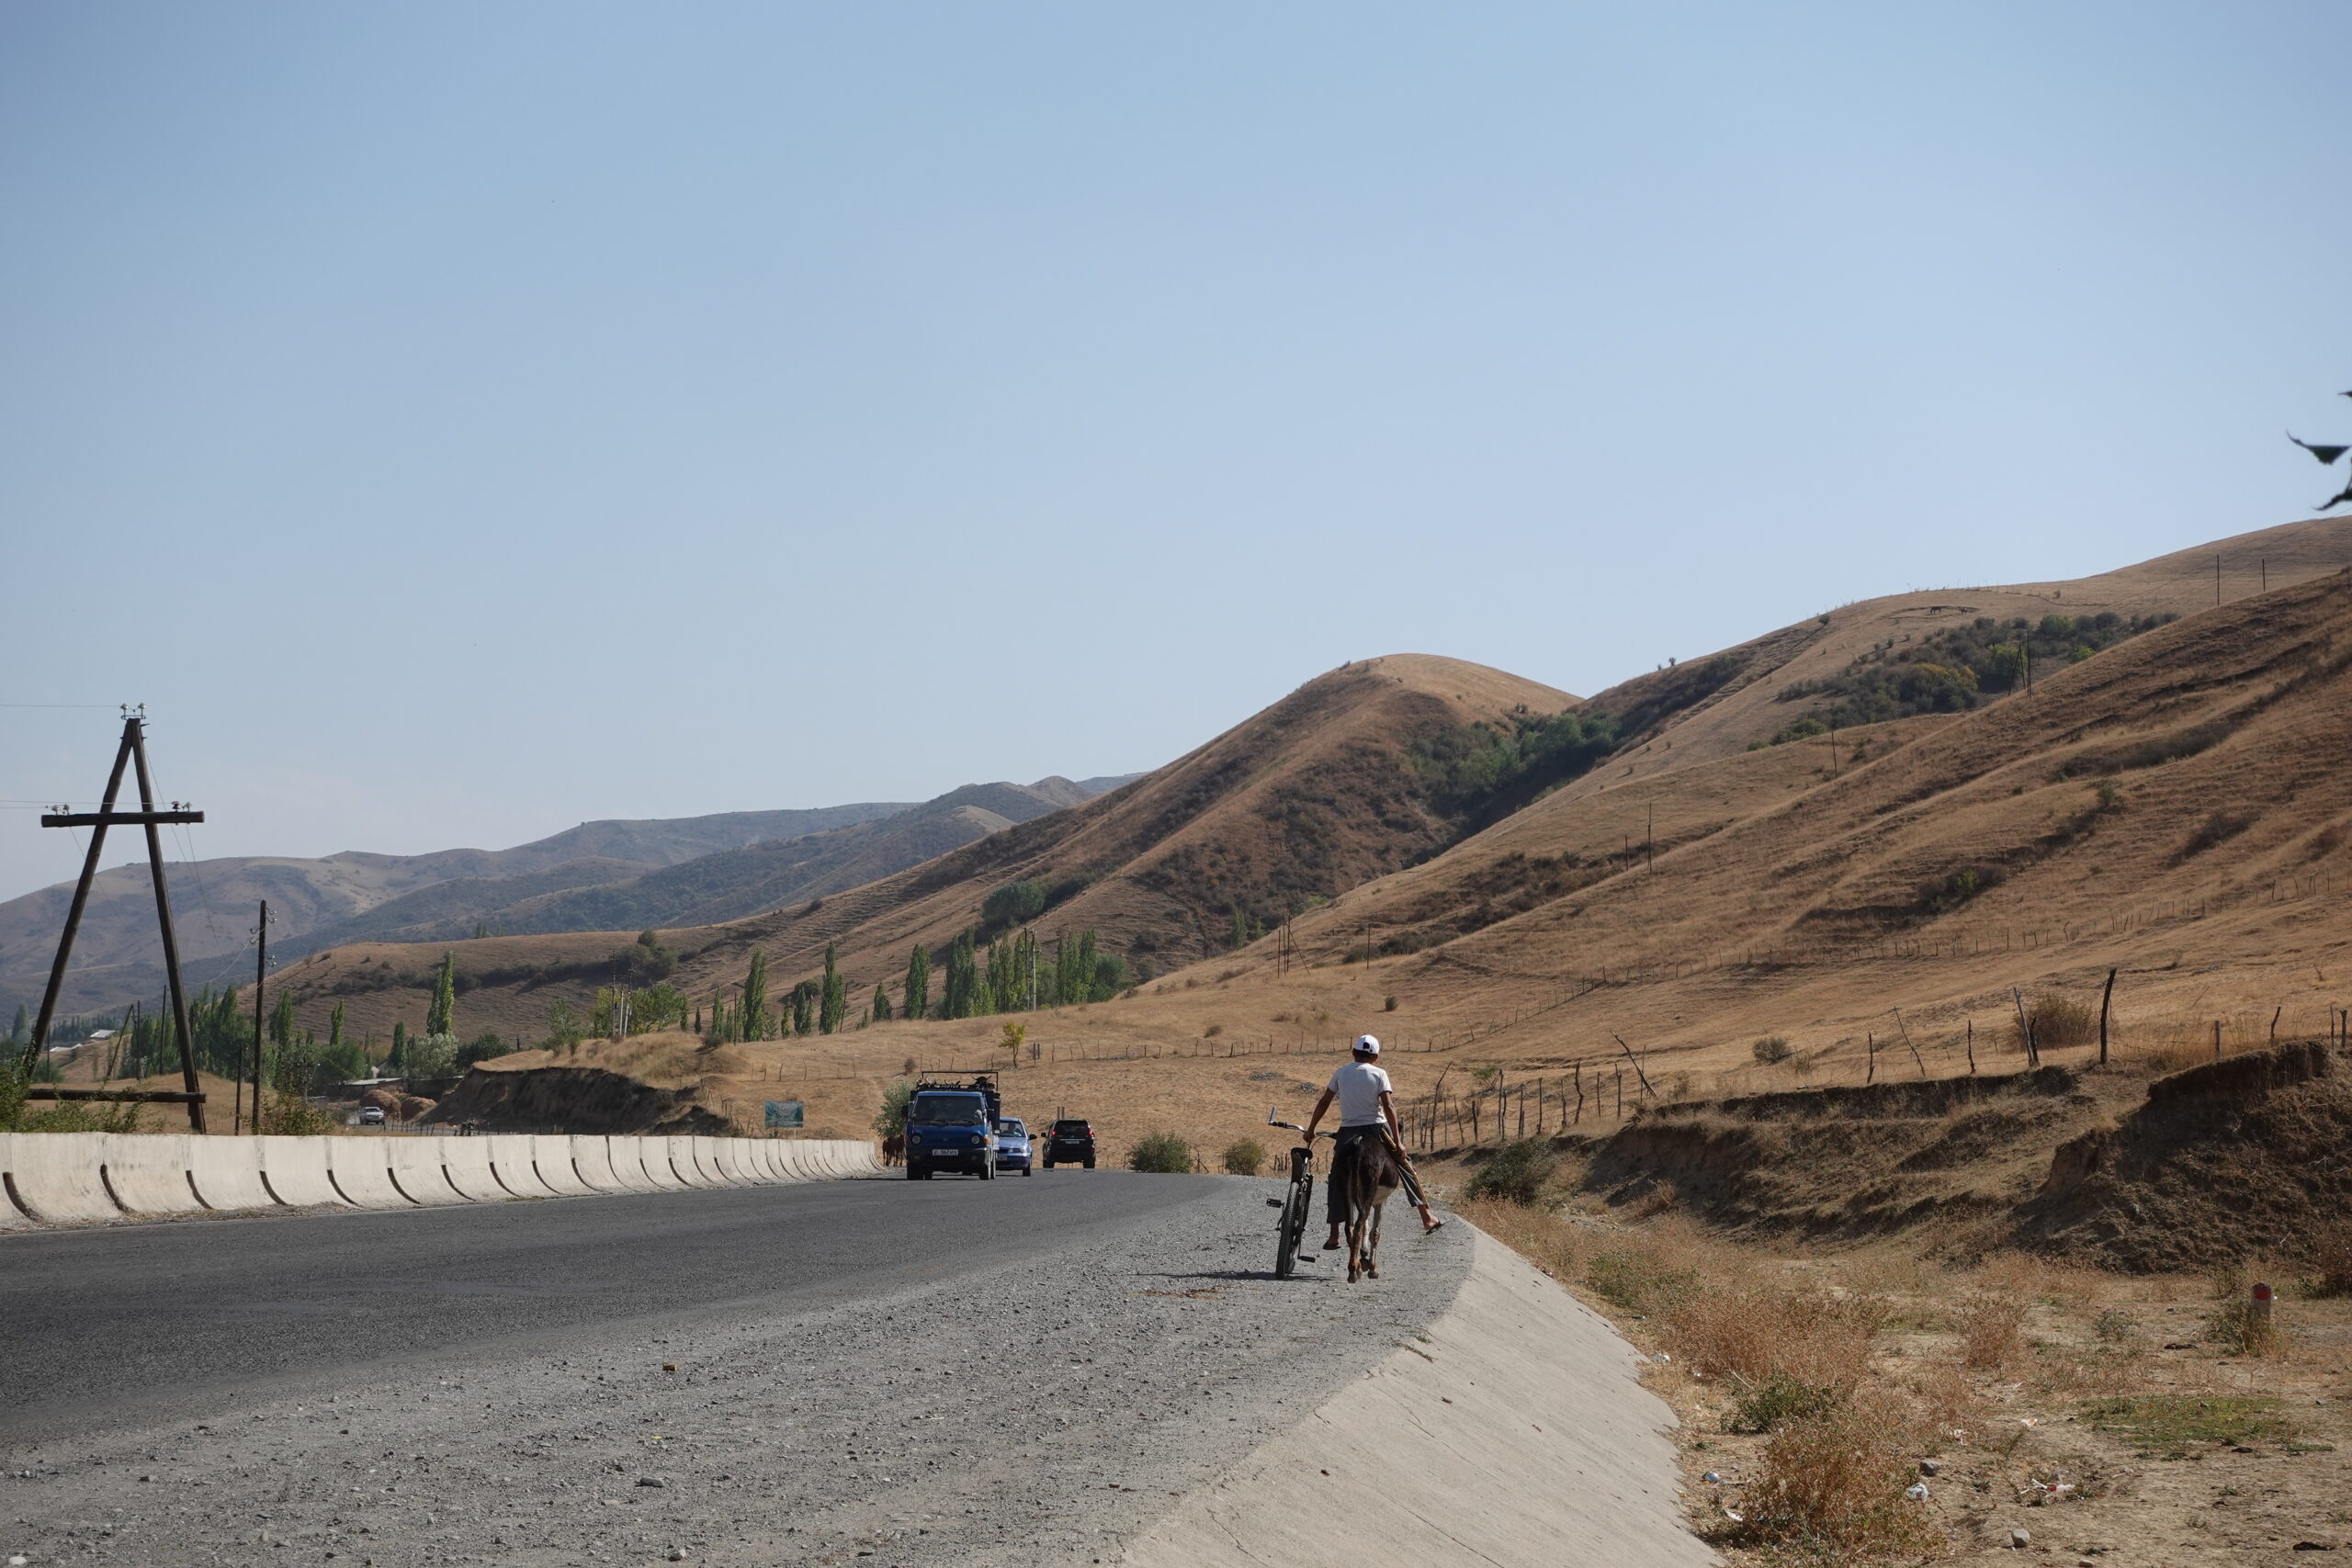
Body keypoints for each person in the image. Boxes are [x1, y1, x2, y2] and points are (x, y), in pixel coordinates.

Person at [1301, 1033, 1442, 1250]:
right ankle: (1427, 1218)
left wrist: (1311, 1129)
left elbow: (1324, 1102)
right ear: (1375, 1057)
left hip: (1348, 1131)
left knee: (1336, 1176)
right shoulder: (1379, 1074)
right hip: (1377, 1129)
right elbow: (1388, 1107)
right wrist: (1398, 1142)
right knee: (1406, 1168)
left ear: (1353, 1053)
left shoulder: (1341, 1072)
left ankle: (1334, 1235)